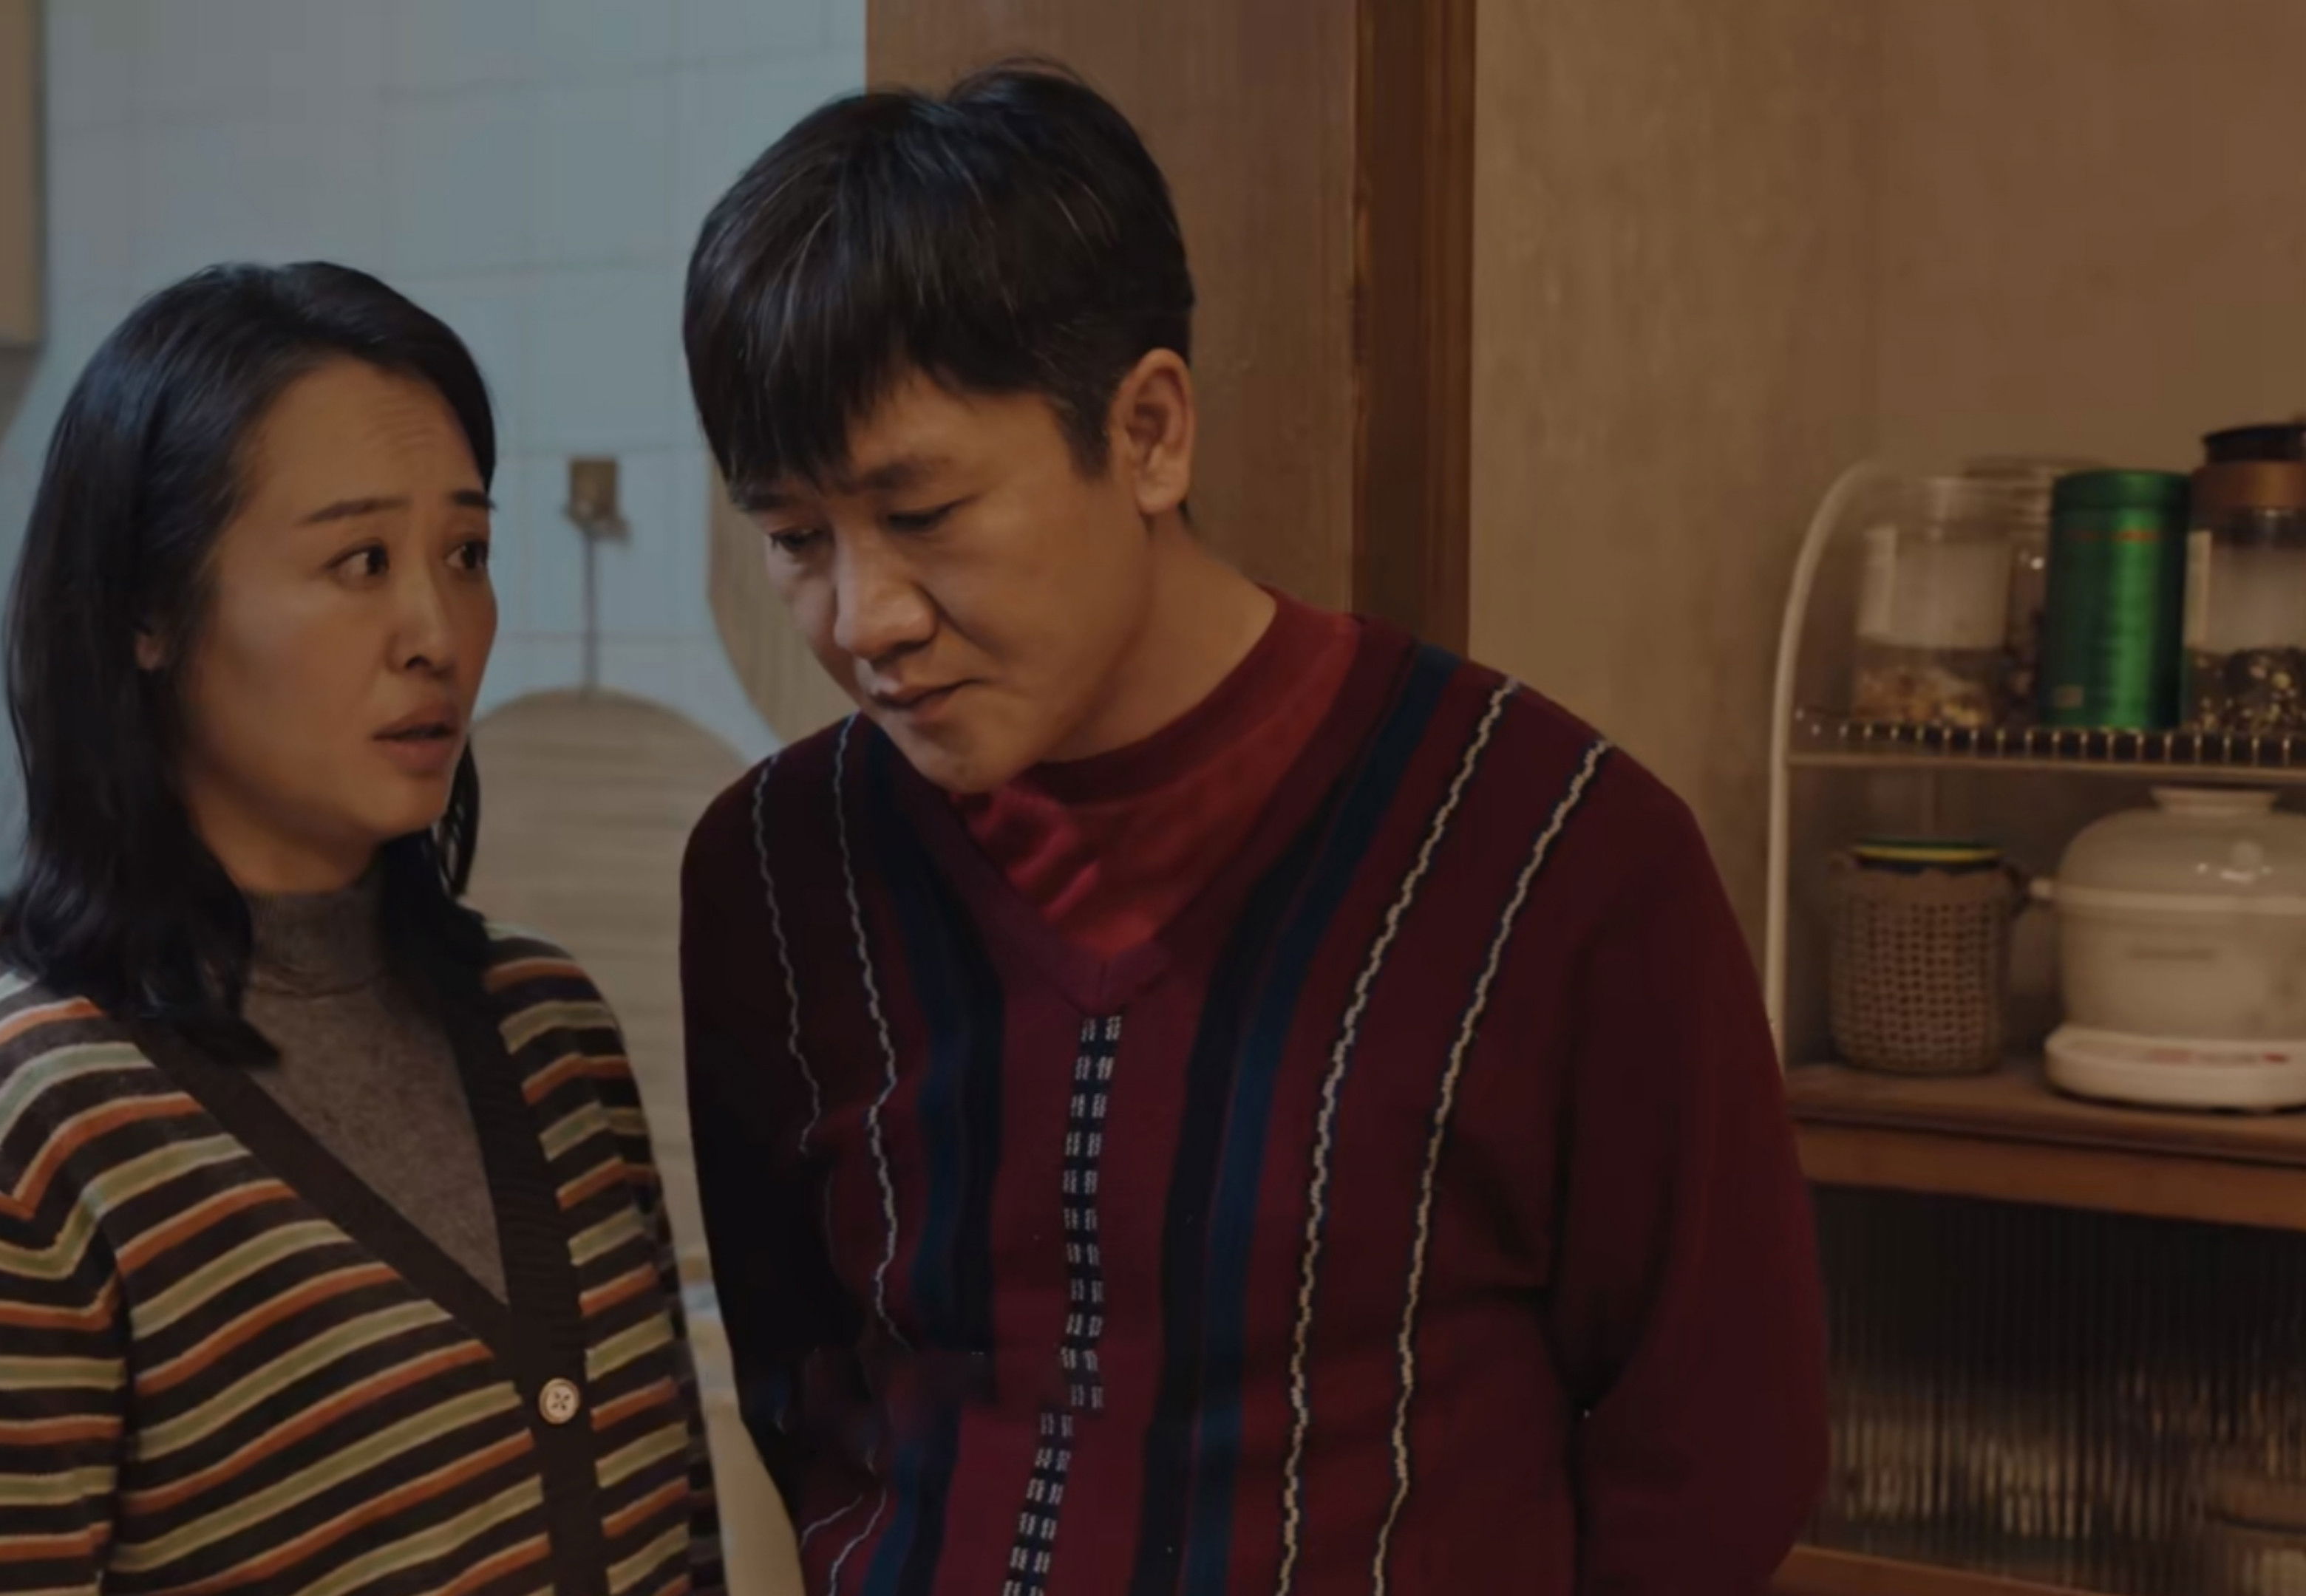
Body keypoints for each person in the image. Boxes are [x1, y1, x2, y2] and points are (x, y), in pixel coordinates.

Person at [675, 65, 1826, 1596]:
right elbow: (801, 1383)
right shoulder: (773, 872)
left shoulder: (1557, 857)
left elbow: (1719, 1442)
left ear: (1150, 433)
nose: (862, 615)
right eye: (795, 538)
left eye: (925, 514)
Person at [0, 264, 720, 1596]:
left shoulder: (550, 1031)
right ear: (149, 612)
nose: (437, 632)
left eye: (466, 555)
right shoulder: (16, 1128)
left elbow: (681, 1545)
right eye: (359, 562)